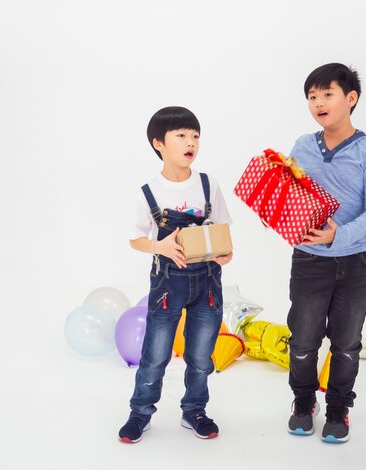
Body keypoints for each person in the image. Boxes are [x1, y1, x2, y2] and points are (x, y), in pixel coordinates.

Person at [284, 63, 366, 443]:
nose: (318, 103)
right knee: (303, 340)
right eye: (311, 97)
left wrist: (337, 235)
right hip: (309, 262)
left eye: (326, 94)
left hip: (353, 264)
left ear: (350, 99)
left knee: (346, 344)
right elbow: (289, 195)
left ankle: (338, 409)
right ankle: (302, 402)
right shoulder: (301, 146)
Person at [118, 106, 233, 443]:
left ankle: (194, 410)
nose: (190, 142)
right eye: (181, 135)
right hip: (168, 283)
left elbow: (222, 229)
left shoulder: (208, 185)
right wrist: (160, 247)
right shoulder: (149, 191)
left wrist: (227, 253)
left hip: (208, 281)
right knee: (155, 354)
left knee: (200, 356)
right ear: (159, 144)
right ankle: (140, 412)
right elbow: (135, 238)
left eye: (195, 136)